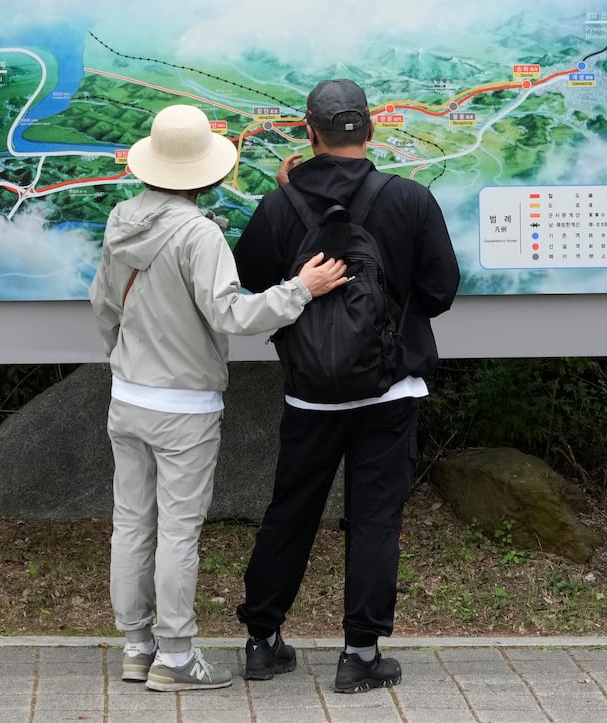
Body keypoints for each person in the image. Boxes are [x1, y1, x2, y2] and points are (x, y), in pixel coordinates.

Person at [89, 104, 347, 692]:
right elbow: (230, 313)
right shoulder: (198, 233)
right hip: (183, 406)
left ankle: (137, 647)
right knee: (178, 531)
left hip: (127, 396)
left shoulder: (121, 219)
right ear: (203, 171)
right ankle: (176, 659)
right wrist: (299, 290)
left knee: (131, 524)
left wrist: (126, 363)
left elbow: (104, 307)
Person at [232, 78, 460, 694]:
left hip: (310, 392)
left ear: (310, 131)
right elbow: (440, 291)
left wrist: (289, 208)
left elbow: (251, 277)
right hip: (390, 392)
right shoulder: (410, 199)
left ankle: (263, 641)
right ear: (372, 129)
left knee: (292, 510)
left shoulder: (282, 204)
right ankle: (360, 655)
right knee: (376, 519)